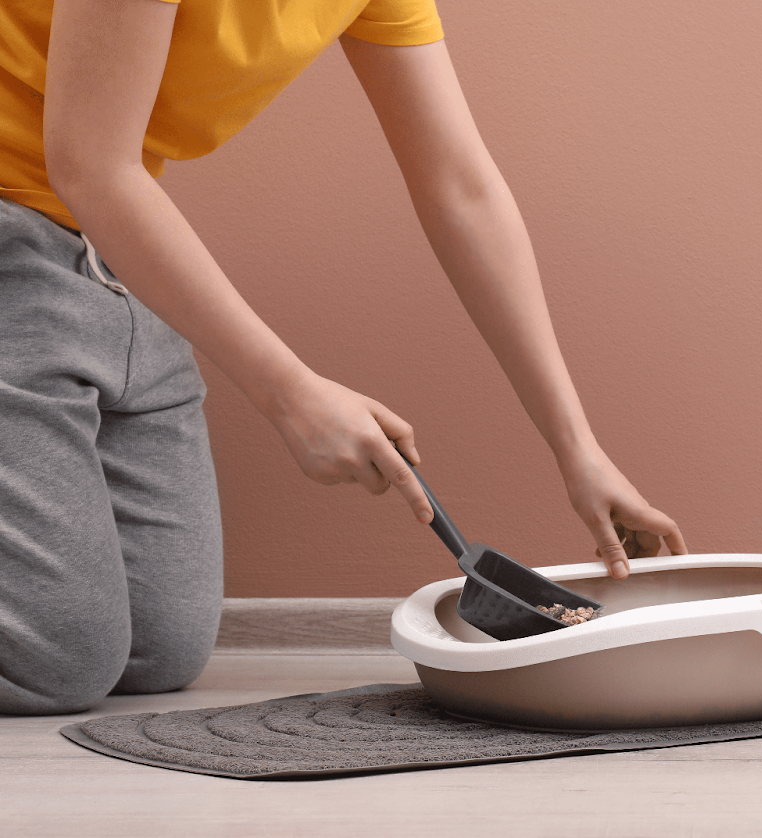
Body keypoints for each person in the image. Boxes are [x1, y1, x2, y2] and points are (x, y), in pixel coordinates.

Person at [0, 0, 685, 715]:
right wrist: (288, 391)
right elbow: (90, 165)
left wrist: (578, 450)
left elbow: (461, 187)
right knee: (57, 660)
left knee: (158, 652)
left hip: (112, 265)